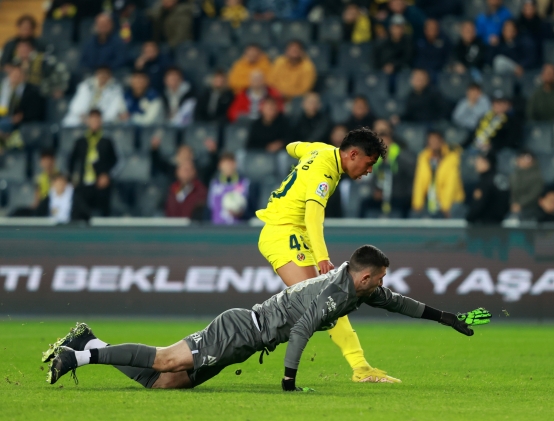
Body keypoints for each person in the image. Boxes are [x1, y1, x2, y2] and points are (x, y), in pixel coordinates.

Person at [44, 245, 492, 390]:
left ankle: (91, 342)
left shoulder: (360, 289)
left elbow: (401, 304)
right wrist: (289, 382)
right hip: (241, 330)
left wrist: (448, 318)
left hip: (247, 340)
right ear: (365, 276)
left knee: (166, 383)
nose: (383, 284)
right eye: (380, 278)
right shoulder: (336, 293)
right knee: (165, 360)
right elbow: (301, 330)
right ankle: (77, 357)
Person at [256, 129, 403, 383]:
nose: (369, 171)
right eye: (369, 163)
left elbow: (292, 146)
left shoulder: (319, 149)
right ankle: (360, 368)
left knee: (325, 303)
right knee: (325, 300)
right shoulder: (323, 171)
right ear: (353, 154)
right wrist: (323, 257)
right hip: (283, 233)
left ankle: (361, 367)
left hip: (292, 233)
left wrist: (300, 172)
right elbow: (313, 216)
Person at [359, 120, 415, 218]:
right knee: (365, 204)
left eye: (386, 141)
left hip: (398, 196)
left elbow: (409, 177)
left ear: (391, 141)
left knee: (405, 204)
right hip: (381, 197)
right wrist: (375, 191)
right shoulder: (376, 159)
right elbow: (372, 179)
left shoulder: (401, 155)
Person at [68, 109, 118, 218]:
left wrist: (107, 175)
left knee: (102, 214)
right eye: (92, 119)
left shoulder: (107, 141)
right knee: (81, 214)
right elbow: (72, 161)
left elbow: (116, 161)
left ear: (101, 121)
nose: (95, 122)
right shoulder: (81, 142)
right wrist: (72, 178)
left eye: (97, 120)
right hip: (83, 184)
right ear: (88, 121)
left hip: (101, 184)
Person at [412, 131, 464, 218]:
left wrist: (446, 207)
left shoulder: (452, 157)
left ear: (442, 141)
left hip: (451, 201)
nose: (434, 143)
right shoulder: (423, 158)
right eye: (431, 141)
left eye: (436, 140)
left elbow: (451, 184)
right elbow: (419, 183)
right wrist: (417, 204)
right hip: (431, 201)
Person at [62, 66, 126, 127]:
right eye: (100, 74)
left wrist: (97, 120)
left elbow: (113, 111)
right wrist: (85, 118)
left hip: (103, 121)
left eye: (105, 75)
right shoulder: (86, 86)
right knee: (69, 121)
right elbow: (76, 106)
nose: (102, 77)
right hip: (83, 119)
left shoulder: (116, 90)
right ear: (96, 75)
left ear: (110, 77)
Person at [0, 64, 45, 137]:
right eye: (13, 75)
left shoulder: (32, 91)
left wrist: (20, 117)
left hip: (24, 124)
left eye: (18, 75)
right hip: (7, 119)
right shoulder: (7, 90)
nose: (15, 78)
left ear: (24, 77)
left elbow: (35, 112)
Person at [208, 152, 253, 225]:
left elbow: (250, 208)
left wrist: (242, 213)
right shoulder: (214, 184)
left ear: (235, 165)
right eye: (225, 164)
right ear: (219, 166)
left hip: (238, 226)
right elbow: (210, 207)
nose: (228, 167)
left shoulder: (245, 183)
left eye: (230, 164)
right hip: (217, 226)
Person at [465, 151, 509, 224]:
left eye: (479, 162)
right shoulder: (502, 178)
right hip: (500, 223)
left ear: (486, 163)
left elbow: (478, 206)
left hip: (485, 225)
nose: (476, 165)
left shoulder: (485, 182)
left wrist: (469, 219)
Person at [510, 150, 544, 216]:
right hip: (514, 207)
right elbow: (512, 192)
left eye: (526, 158)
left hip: (532, 208)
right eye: (521, 158)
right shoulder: (513, 175)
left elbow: (534, 193)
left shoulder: (537, 176)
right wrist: (513, 203)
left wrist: (520, 204)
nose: (523, 161)